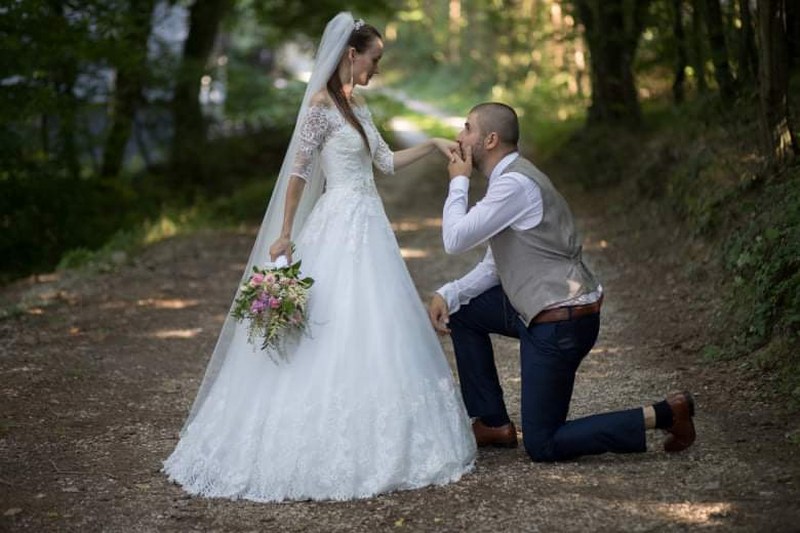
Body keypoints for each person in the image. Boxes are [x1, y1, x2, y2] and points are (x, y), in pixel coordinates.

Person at [163, 13, 476, 502]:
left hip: (369, 224)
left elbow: (386, 163)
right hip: (337, 221)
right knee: (330, 318)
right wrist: (285, 232)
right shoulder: (319, 107)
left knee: (376, 322)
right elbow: (299, 172)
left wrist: (436, 144)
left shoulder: (358, 106)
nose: (376, 69)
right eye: (374, 60)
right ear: (352, 55)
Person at [427, 102, 697, 462]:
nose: (460, 137)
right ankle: (492, 423)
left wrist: (458, 180)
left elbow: (454, 240)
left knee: (543, 444)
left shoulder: (514, 186)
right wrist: (449, 293)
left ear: (490, 139)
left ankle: (666, 413)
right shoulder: (509, 181)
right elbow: (497, 264)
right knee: (462, 311)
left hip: (562, 322)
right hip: (543, 309)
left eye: (467, 128)